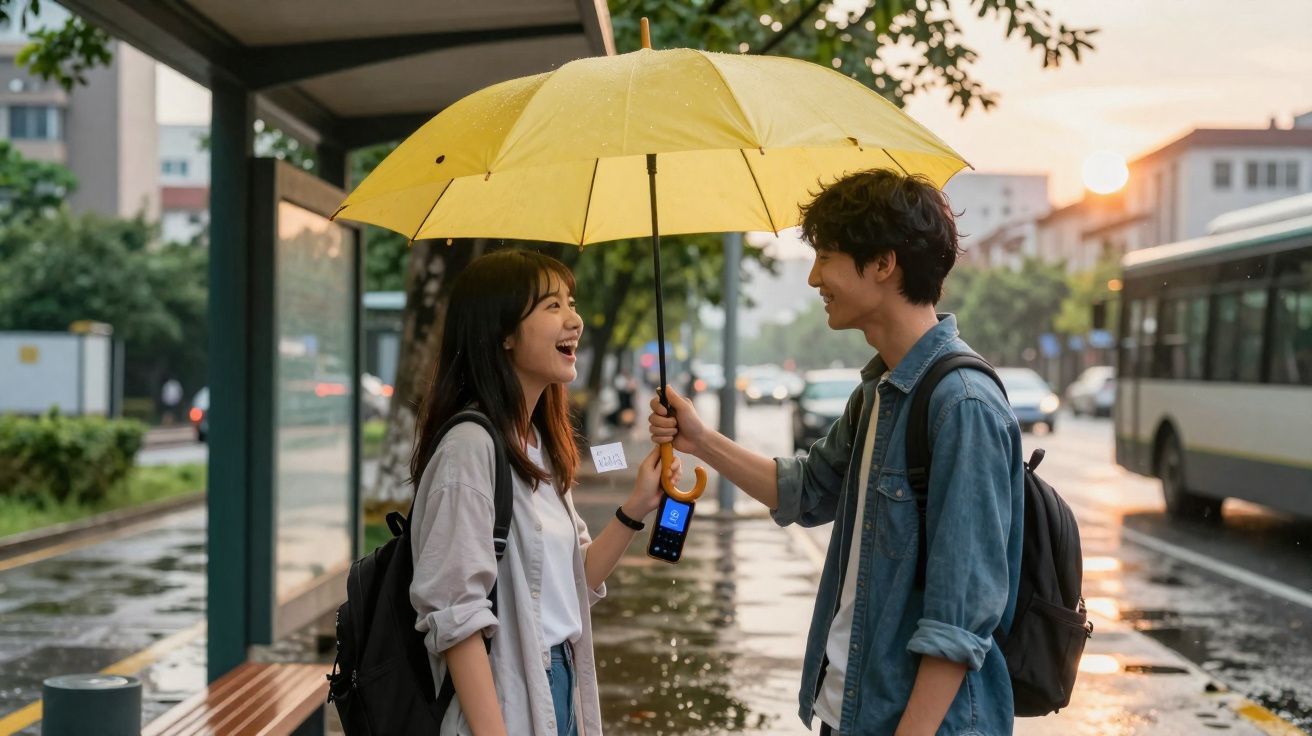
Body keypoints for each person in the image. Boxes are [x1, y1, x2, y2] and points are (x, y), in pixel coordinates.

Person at [649, 170, 1025, 735]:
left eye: (826, 256)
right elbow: (804, 492)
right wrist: (699, 440)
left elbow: (959, 623)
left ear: (882, 263)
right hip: (850, 713)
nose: (813, 277)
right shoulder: (877, 394)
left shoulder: (961, 406)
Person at [409, 249, 678, 736]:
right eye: (552, 306)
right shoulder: (469, 448)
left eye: (570, 303)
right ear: (504, 333)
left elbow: (577, 580)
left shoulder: (537, 447)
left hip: (562, 685)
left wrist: (637, 506)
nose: (574, 319)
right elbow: (456, 618)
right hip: (503, 700)